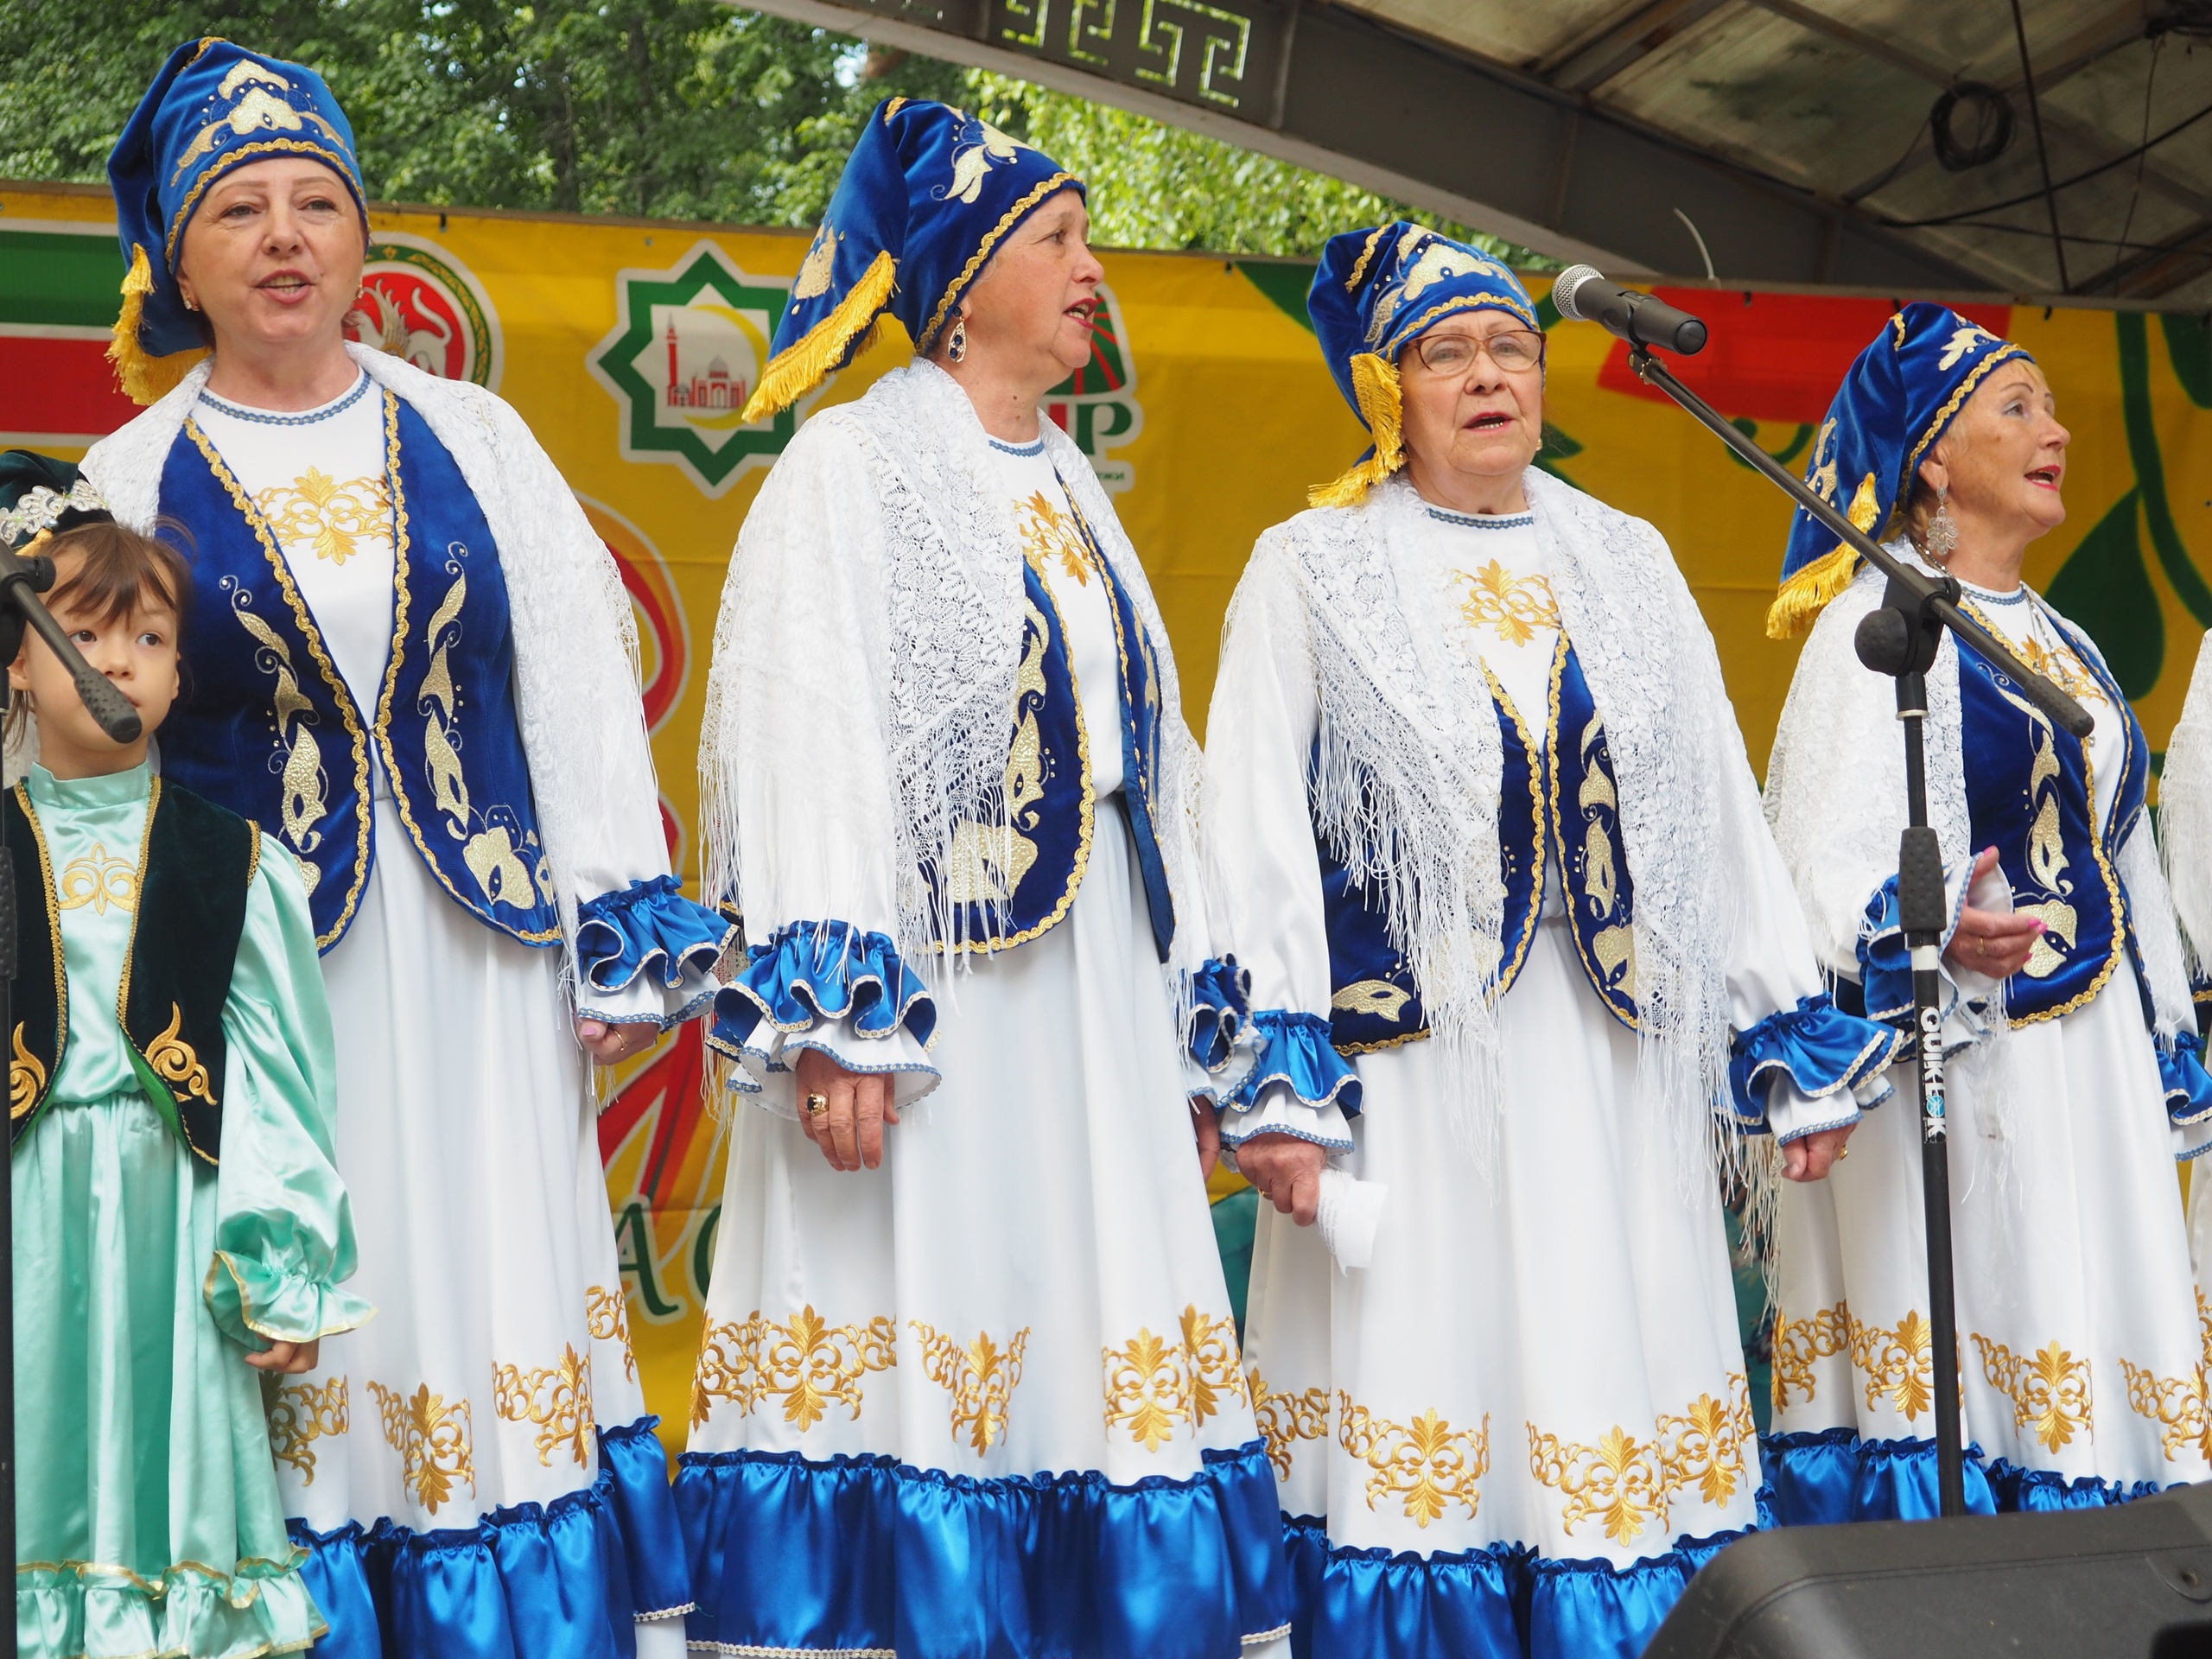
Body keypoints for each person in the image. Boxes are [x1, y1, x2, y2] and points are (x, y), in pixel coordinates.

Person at [83, 40, 724, 1656]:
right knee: (320, 1292)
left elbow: (573, 669)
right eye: (240, 208)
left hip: (482, 957)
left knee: (491, 1270)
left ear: (365, 240)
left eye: (317, 200)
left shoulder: (477, 438)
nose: (286, 234)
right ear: (177, 261)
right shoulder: (128, 476)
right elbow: (91, 748)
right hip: (263, 995)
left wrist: (616, 916)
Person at [1200, 224, 1898, 1659]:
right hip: (1412, 1079)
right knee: (1434, 1407)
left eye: (1510, 348)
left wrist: (1784, 1041)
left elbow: (1713, 802)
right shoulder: (1311, 564)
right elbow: (1252, 819)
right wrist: (1272, 1073)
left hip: (1609, 1069)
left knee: (1605, 1387)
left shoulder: (1624, 555)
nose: (1486, 376)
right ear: (1384, 389)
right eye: (1445, 353)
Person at [678, 98, 1289, 1659]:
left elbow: (1164, 771)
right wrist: (834, 1007)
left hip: (1082, 990)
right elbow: (804, 720)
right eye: (1060, 241)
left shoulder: (1069, 485)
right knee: (927, 1330)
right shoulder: (851, 466)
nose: (1095, 271)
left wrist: (1203, 1008)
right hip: (935, 1005)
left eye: (1090, 240)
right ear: (961, 282)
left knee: (1083, 1338)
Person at [1761, 303, 2212, 1518]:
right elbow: (1817, 859)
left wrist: (2164, 1029)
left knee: (2092, 1327)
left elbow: (2127, 856)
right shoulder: (1884, 624)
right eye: (2016, 407)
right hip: (1973, 1060)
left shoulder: (2062, 639)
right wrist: (1923, 928)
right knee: (1988, 1335)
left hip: (2089, 1056)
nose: (2054, 429)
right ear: (1931, 462)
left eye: (2053, 406)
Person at [1, 453, 372, 1659]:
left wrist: (283, 1261)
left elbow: (281, 1085)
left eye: (152, 638)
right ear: (17, 662)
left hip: (174, 1211)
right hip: (26, 1213)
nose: (119, 660)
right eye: (84, 633)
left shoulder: (237, 863)